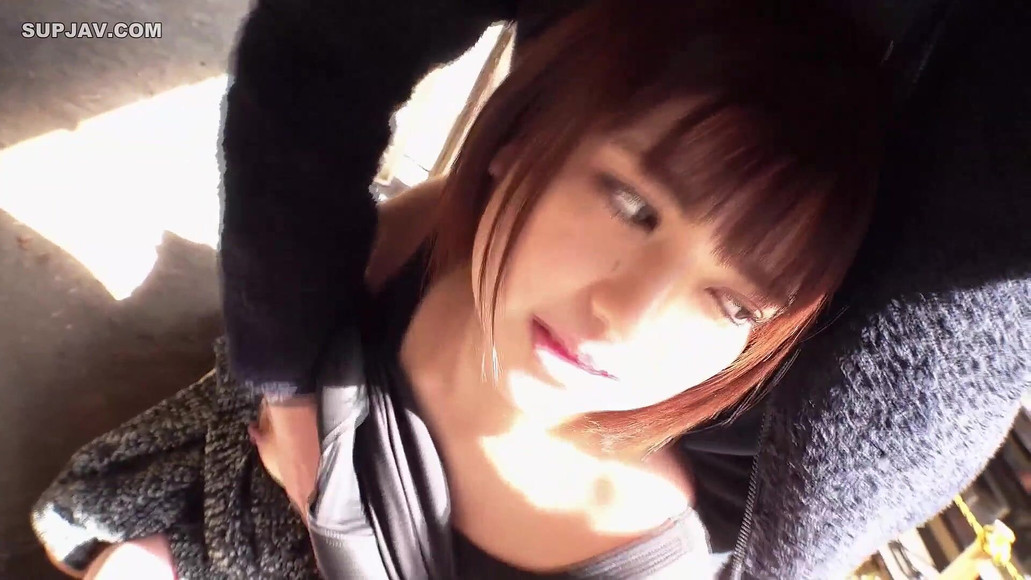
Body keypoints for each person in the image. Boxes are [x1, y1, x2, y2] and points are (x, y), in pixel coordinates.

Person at [31, 1, 1030, 579]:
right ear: (514, 145)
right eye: (632, 206)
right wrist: (288, 395)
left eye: (731, 303)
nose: (623, 318)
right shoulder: (413, 252)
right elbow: (320, 58)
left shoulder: (649, 534)